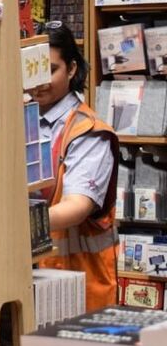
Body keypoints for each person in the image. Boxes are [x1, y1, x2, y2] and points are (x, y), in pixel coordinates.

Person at [34, 23, 119, 311]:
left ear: (71, 69)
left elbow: (78, 206)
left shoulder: (88, 130)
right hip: (29, 280)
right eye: (32, 70)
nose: (39, 81)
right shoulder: (19, 116)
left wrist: (15, 225)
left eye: (51, 69)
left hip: (76, 290)